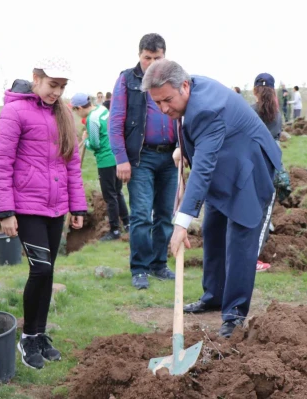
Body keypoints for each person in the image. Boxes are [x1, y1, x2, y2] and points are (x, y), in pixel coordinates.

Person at [142, 60, 282, 338]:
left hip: (250, 172)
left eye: (167, 100)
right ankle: (214, 296)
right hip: (224, 168)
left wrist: (180, 224)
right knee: (213, 230)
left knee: (241, 240)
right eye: (157, 103)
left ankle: (234, 315)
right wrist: (183, 151)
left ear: (183, 86)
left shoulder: (206, 107)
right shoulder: (188, 89)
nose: (164, 108)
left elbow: (204, 168)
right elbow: (196, 138)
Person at [0, 57, 87, 370]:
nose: (56, 92)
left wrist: (78, 206)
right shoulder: (14, 111)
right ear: (36, 78)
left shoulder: (64, 114)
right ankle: (27, 338)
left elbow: (71, 164)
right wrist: (5, 211)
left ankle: (40, 334)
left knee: (48, 274)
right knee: (41, 271)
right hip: (26, 206)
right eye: (52, 85)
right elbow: (2, 163)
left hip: (56, 208)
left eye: (62, 87)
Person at [109, 33, 178, 290]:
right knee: (141, 215)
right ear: (139, 55)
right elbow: (115, 122)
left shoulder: (175, 78)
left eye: (156, 58)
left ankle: (159, 265)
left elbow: (184, 116)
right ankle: (139, 268)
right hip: (141, 157)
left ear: (164, 56)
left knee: (165, 214)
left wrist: (184, 150)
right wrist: (121, 159)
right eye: (147, 58)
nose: (151, 63)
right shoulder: (127, 80)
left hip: (171, 156)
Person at [71, 93, 129, 240]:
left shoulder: (92, 119)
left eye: (75, 111)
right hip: (116, 156)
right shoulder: (102, 109)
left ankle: (114, 230)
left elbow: (95, 144)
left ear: (79, 108)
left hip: (106, 161)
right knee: (118, 192)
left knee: (109, 196)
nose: (77, 115)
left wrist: (86, 140)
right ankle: (128, 224)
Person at [251, 73, 283, 273]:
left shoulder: (248, 111)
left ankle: (237, 256)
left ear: (255, 91)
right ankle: (252, 259)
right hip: (267, 172)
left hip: (246, 171)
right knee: (263, 217)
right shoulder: (277, 116)